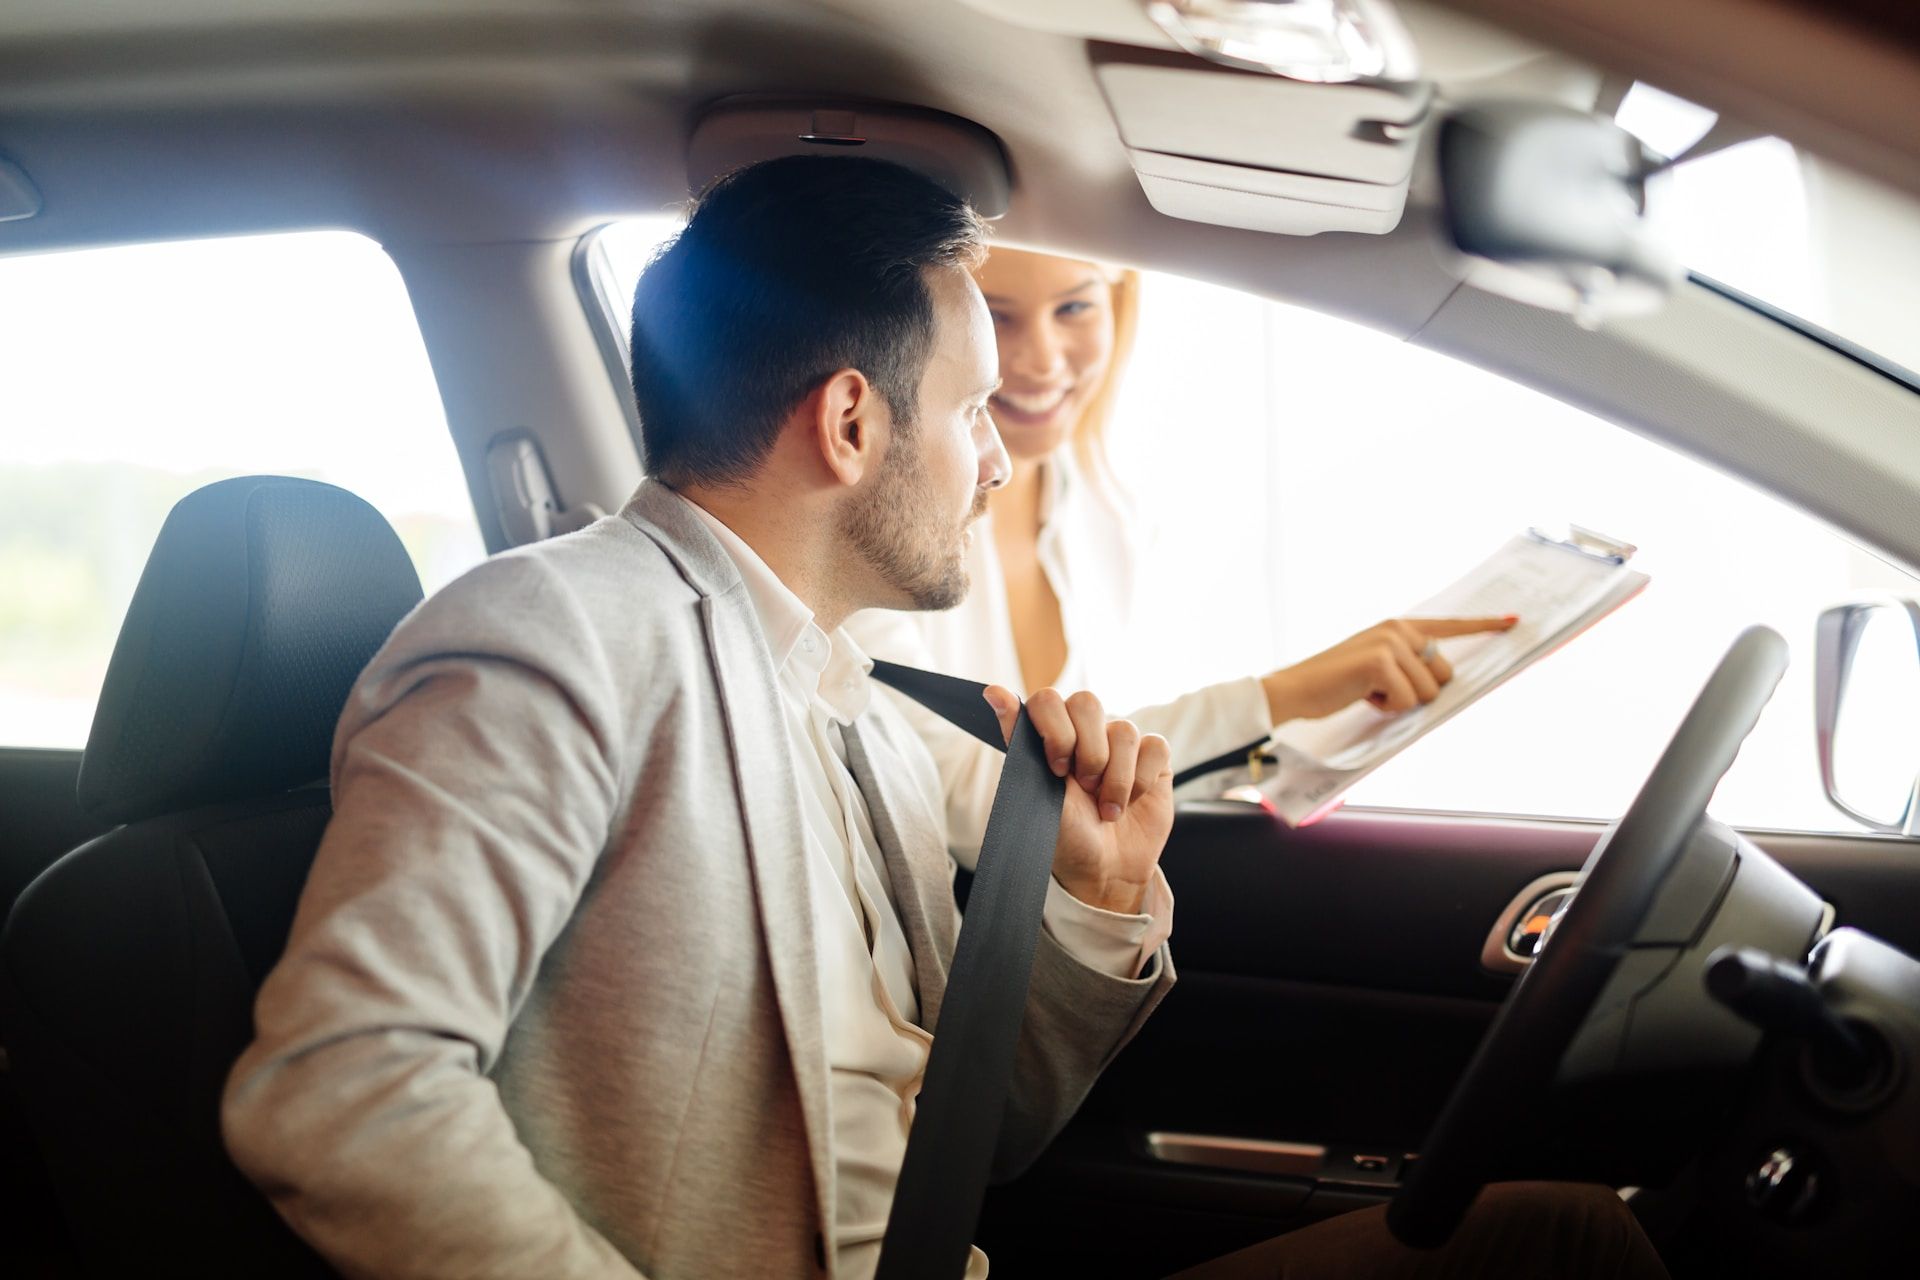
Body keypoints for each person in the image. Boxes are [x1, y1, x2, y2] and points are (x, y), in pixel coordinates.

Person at [222, 156, 1664, 1279]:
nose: (997, 459)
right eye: (974, 408)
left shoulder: (859, 700)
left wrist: (1095, 901)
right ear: (852, 422)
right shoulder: (553, 634)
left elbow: (990, 1138)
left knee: (1559, 1237)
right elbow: (343, 1091)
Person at [847, 248, 1515, 854]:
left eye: (1075, 308)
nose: (1043, 360)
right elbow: (964, 804)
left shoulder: (1105, 512)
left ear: (1120, 303)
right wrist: (1283, 696)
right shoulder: (889, 527)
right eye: (998, 317)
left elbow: (1097, 768)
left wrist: (1313, 720)